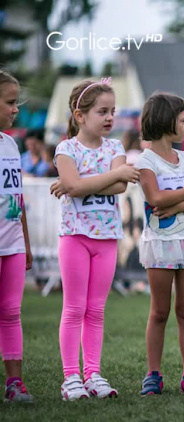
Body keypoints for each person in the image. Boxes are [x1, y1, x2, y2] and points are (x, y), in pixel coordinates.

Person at [50, 78, 140, 400]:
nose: (109, 117)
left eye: (112, 111)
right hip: (75, 237)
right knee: (74, 308)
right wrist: (113, 174)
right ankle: (71, 378)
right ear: (80, 115)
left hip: (107, 239)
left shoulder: (115, 147)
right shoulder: (66, 149)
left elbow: (119, 187)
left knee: (96, 310)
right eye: (102, 111)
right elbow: (75, 186)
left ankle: (93, 374)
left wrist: (81, 183)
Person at [135, 93, 184, 395]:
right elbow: (154, 199)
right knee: (159, 311)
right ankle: (153, 374)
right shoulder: (145, 161)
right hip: (160, 245)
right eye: (183, 120)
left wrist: (179, 204)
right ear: (166, 122)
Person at [0, 69, 34, 403]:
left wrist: (26, 242)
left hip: (12, 245)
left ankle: (14, 384)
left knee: (11, 312)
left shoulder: (10, 144)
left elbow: (17, 197)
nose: (15, 109)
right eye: (10, 102)